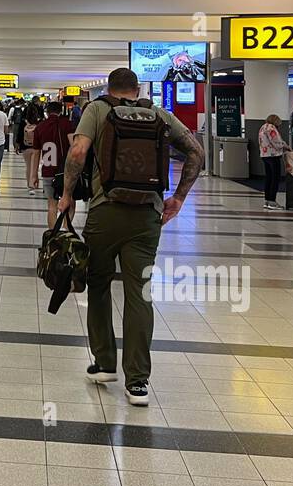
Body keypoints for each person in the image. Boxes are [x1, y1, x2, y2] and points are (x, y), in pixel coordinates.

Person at [57, 68, 205, 406]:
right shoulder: (158, 113)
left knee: (98, 282)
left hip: (105, 210)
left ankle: (105, 363)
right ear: (137, 89)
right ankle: (137, 382)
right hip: (146, 217)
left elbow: (78, 153)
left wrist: (67, 193)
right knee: (140, 292)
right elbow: (196, 151)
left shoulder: (97, 110)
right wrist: (179, 197)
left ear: (108, 88)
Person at [35, 100, 74, 227]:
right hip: (66, 171)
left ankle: (52, 236)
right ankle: (67, 231)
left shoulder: (40, 126)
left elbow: (36, 152)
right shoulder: (68, 124)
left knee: (52, 205)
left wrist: (33, 174)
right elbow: (74, 147)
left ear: (47, 112)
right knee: (70, 202)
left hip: (48, 170)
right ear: (60, 111)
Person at [258, 114, 287, 210]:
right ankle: (272, 202)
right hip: (273, 156)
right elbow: (276, 142)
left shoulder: (263, 127)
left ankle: (267, 201)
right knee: (275, 179)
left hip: (264, 155)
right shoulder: (271, 128)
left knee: (269, 178)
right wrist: (285, 146)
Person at [16, 101, 44, 193]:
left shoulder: (23, 122)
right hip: (37, 148)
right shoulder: (39, 122)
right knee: (35, 166)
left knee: (28, 167)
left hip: (25, 147)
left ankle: (30, 186)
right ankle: (35, 183)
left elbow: (19, 135)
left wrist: (17, 145)